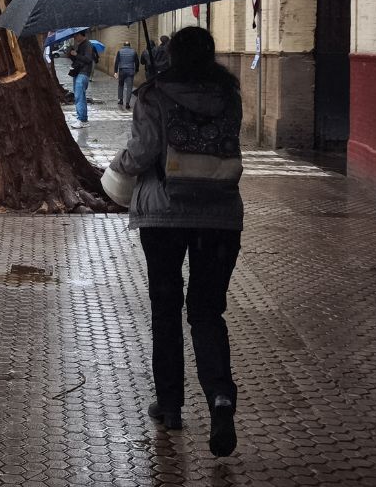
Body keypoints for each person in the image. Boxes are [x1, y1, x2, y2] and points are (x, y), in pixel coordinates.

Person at [99, 26, 244, 458]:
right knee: (207, 311)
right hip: (219, 216)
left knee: (165, 308)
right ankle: (220, 398)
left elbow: (142, 154)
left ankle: (171, 404)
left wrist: (116, 166)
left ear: (171, 55)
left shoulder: (153, 95)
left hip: (164, 215)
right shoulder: (229, 96)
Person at [67, 30, 95, 128]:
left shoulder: (88, 45)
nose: (74, 37)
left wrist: (76, 54)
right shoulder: (81, 45)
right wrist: (71, 53)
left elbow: (88, 59)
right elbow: (77, 59)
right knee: (78, 96)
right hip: (78, 72)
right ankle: (82, 118)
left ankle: (82, 120)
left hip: (83, 73)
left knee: (79, 96)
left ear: (81, 34)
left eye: (76, 35)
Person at [114, 41, 139, 109]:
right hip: (130, 70)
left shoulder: (120, 51)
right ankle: (127, 103)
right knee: (129, 87)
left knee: (120, 85)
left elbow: (117, 62)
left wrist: (115, 71)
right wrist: (136, 70)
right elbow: (137, 62)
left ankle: (121, 100)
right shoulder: (134, 52)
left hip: (122, 70)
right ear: (129, 45)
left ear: (124, 45)